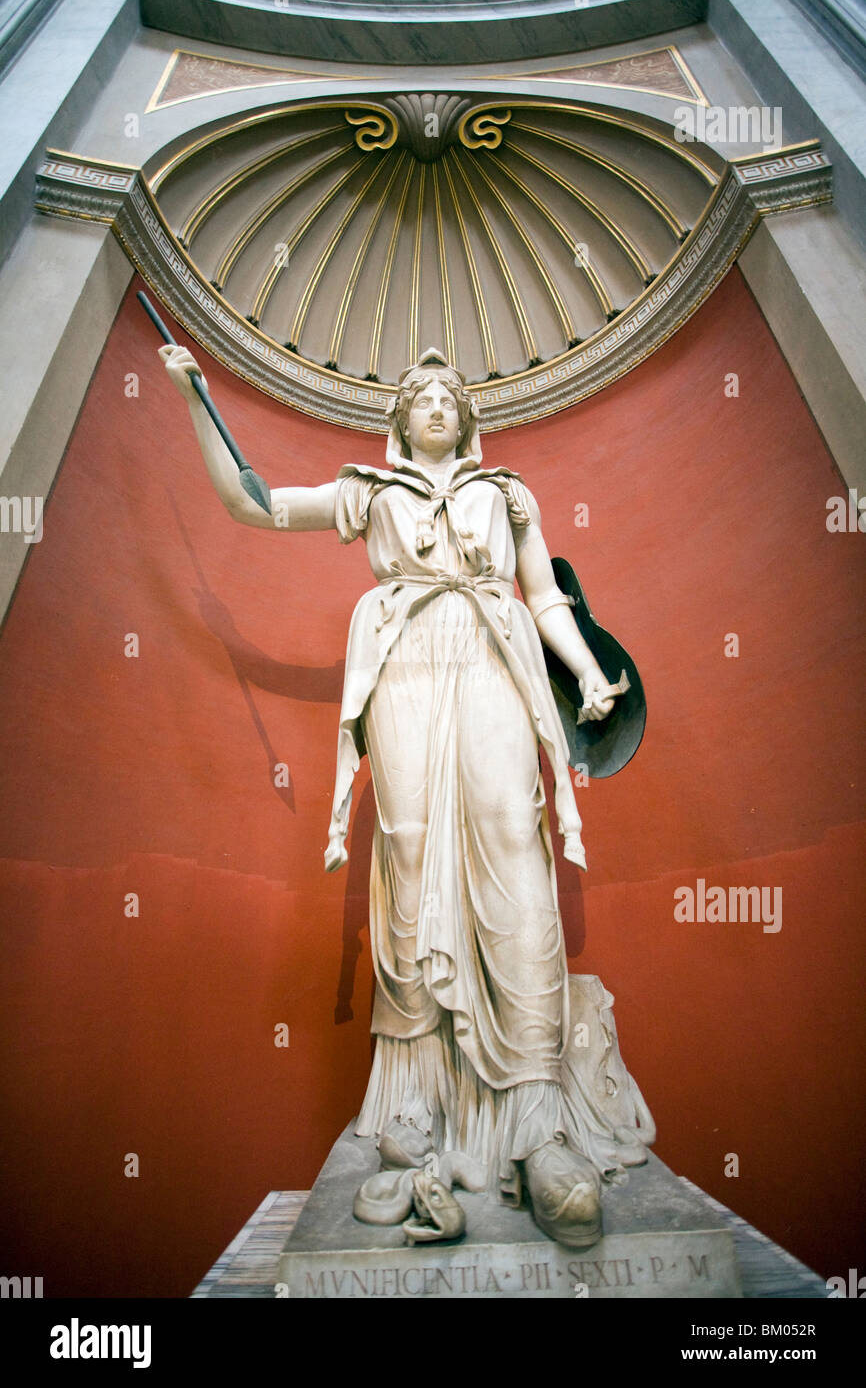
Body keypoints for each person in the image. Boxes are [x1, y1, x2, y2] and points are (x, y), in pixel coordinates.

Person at [161, 342, 622, 1249]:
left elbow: (544, 599)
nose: (439, 404)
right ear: (400, 416)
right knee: (407, 847)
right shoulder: (370, 492)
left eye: (453, 394)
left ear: (470, 416)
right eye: (424, 396)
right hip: (407, 667)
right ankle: (411, 1097)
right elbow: (253, 503)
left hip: (490, 656)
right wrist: (194, 397)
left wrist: (586, 672)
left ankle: (536, 1120)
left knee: (511, 839)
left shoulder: (508, 496)